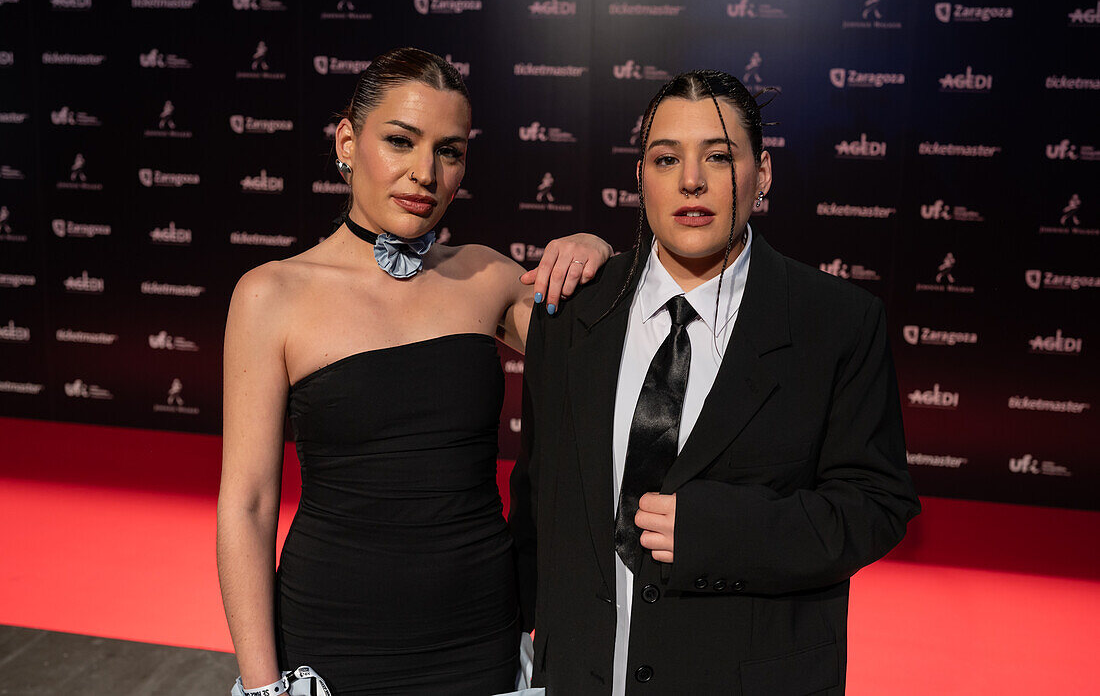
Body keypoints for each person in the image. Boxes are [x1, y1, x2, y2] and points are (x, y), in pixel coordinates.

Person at [510, 70, 921, 694]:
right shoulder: (573, 313)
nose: (691, 181)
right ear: (640, 177)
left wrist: (718, 530)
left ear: (763, 174)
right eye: (666, 157)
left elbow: (877, 507)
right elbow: (537, 505)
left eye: (719, 156)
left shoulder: (835, 322)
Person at [216, 47, 611, 696]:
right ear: (347, 141)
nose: (424, 172)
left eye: (449, 151)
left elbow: (610, 348)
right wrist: (263, 686)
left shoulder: (486, 274)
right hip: (334, 636)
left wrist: (596, 254)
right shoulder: (271, 294)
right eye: (401, 141)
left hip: (479, 632)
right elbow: (249, 503)